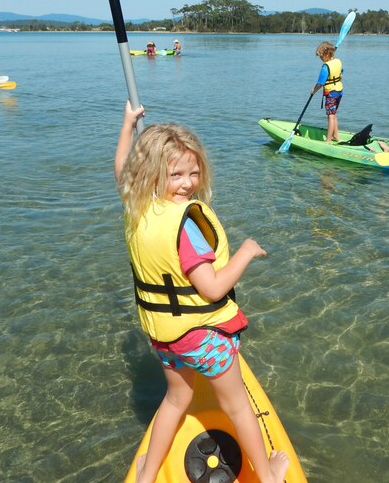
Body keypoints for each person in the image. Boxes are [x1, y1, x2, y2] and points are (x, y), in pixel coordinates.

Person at [114, 101, 290, 483]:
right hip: (202, 337)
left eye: (193, 173)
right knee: (238, 405)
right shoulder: (186, 228)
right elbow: (211, 289)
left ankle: (146, 475)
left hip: (163, 336)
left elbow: (121, 169)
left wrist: (127, 125)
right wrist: (245, 252)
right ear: (151, 173)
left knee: (176, 399)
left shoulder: (137, 208)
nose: (188, 183)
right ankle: (271, 475)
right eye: (176, 174)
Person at [310, 41, 344, 142]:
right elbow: (341, 73)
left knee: (330, 116)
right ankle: (336, 136)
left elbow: (320, 83)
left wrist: (313, 91)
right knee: (333, 114)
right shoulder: (338, 61)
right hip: (339, 91)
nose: (320, 59)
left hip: (331, 93)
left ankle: (328, 139)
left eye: (321, 56)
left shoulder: (326, 67)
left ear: (327, 54)